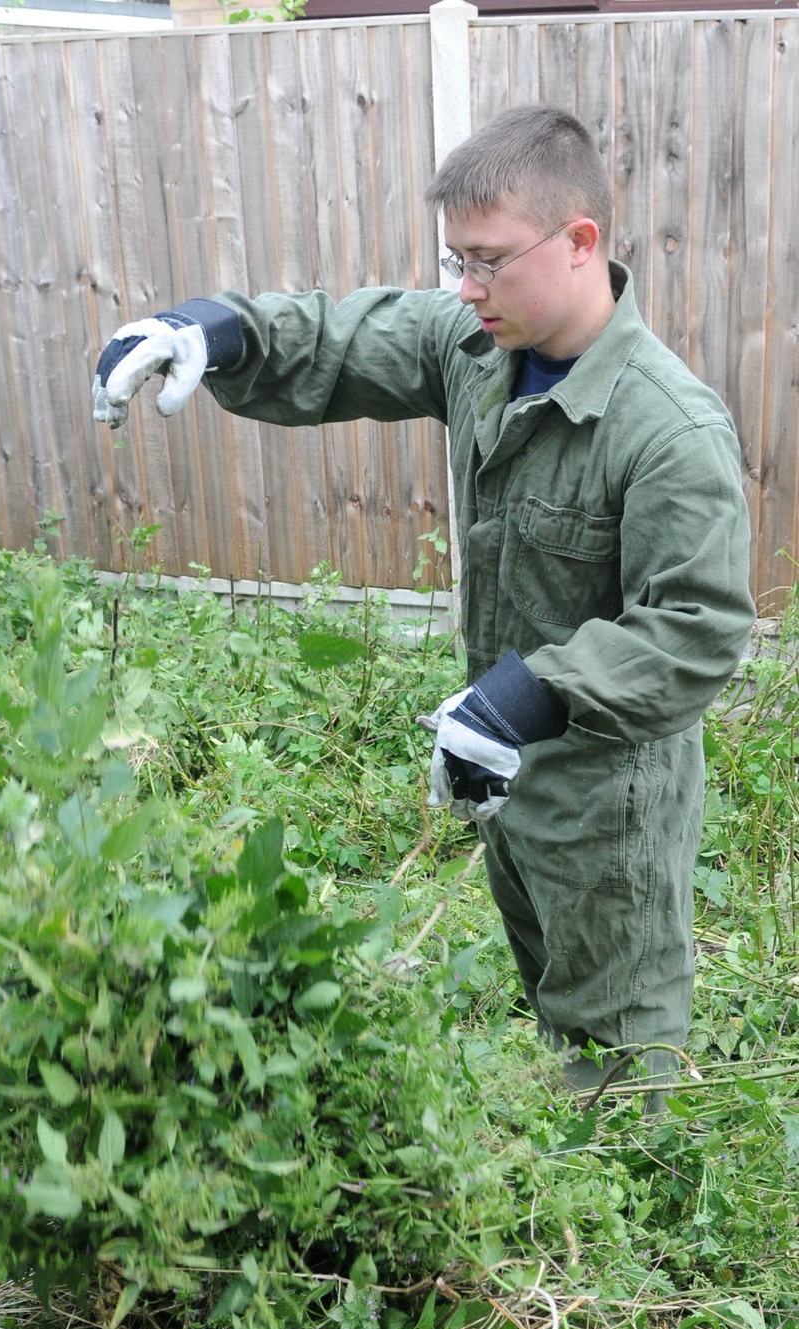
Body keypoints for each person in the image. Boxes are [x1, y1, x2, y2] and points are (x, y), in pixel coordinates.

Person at [92, 105, 755, 1100]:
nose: (465, 288)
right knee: (552, 1008)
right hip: (502, 766)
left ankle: (632, 1217)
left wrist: (525, 695)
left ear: (579, 243)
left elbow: (696, 633)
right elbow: (347, 335)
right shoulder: (481, 346)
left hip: (605, 803)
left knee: (618, 1070)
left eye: (487, 262)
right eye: (456, 261)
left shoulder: (663, 428)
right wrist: (217, 330)